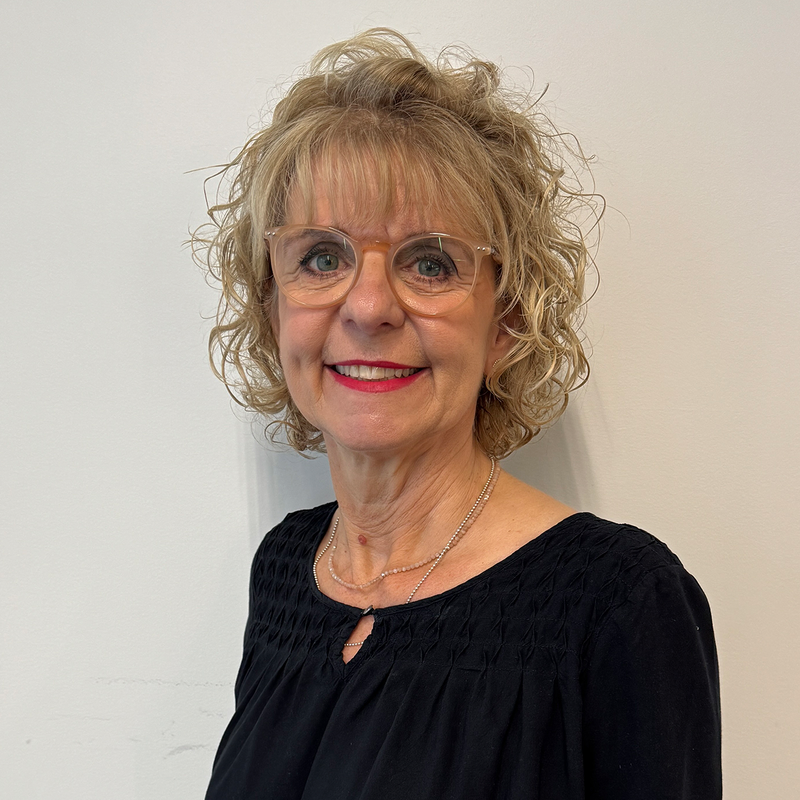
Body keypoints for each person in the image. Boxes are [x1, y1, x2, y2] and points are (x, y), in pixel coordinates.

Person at [194, 28, 721, 800]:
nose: (368, 307)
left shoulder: (618, 603)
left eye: (430, 262)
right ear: (272, 307)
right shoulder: (286, 569)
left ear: (506, 320)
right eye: (322, 257)